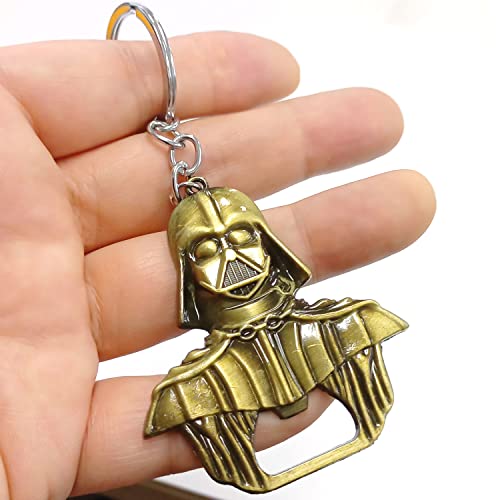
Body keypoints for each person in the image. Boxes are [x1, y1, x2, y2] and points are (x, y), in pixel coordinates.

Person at [0, 33, 435, 499]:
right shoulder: (190, 392)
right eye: (207, 250)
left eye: (243, 238)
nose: (231, 259)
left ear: (269, 246)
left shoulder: (349, 327)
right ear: (188, 272)